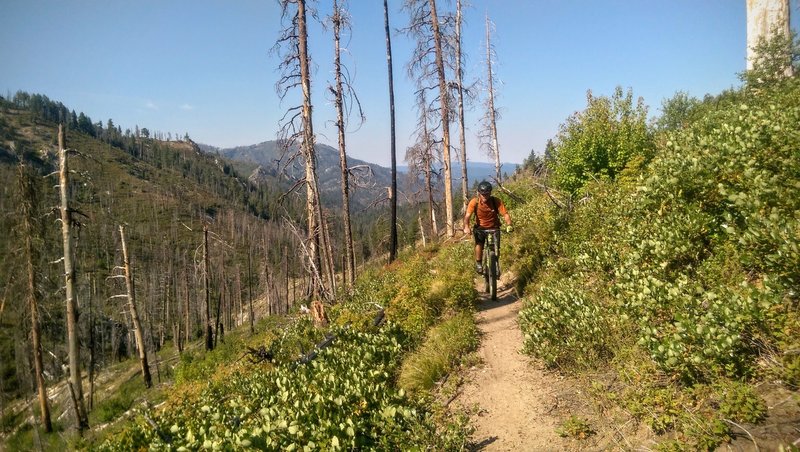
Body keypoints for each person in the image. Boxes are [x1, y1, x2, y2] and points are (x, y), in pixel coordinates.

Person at [462, 181, 512, 274]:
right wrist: (466, 227)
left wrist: (509, 225)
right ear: (479, 193)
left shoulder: (496, 201)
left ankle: (495, 264)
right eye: (483, 194)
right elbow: (467, 216)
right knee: (479, 244)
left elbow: (505, 214)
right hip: (480, 228)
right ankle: (479, 263)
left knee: (496, 247)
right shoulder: (474, 202)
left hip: (494, 227)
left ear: (490, 193)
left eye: (487, 194)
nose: (485, 196)